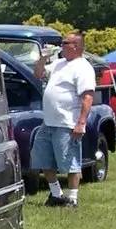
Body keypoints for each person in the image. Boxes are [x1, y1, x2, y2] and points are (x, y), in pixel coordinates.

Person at [30, 32, 96, 208]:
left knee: (70, 162)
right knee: (43, 158)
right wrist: (43, 58)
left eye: (64, 42)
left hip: (67, 123)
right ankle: (56, 195)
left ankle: (73, 199)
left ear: (76, 46)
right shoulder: (59, 64)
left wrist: (81, 123)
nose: (60, 44)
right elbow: (37, 74)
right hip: (48, 122)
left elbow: (88, 96)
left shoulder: (83, 67)